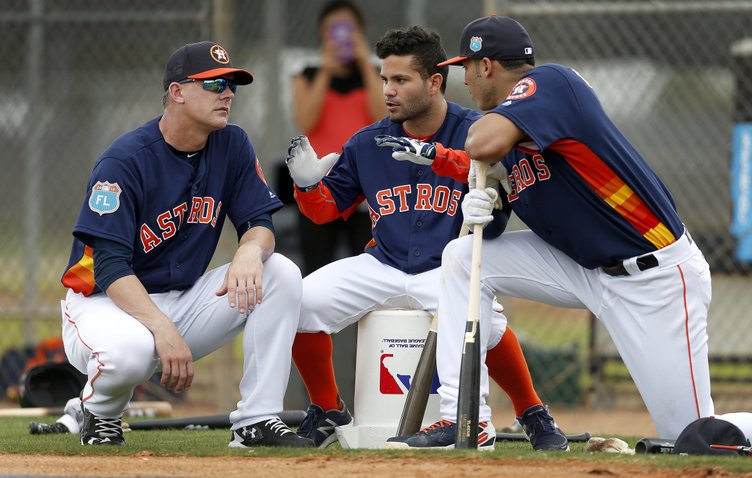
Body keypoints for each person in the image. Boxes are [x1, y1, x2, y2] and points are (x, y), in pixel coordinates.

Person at [389, 14, 715, 446]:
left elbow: (481, 144)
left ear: (487, 66)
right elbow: (488, 172)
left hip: (654, 277)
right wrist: (475, 187)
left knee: (694, 438)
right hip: (586, 268)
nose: (464, 78)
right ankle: (465, 418)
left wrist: (478, 164)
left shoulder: (552, 83)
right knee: (464, 259)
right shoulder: (521, 124)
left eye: (466, 67)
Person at [286, 25, 568, 451]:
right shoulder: (367, 141)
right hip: (383, 262)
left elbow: (497, 215)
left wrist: (486, 201)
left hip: (445, 268)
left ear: (435, 82)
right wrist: (307, 186)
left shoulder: (480, 131)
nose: (388, 90)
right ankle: (327, 410)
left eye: (401, 80)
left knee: (485, 322)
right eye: (384, 79)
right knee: (297, 301)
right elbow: (325, 211)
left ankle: (531, 411)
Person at [59, 41, 312, 448]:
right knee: (132, 353)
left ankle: (256, 419)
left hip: (184, 300)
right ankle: (100, 413)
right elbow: (108, 265)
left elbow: (259, 223)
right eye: (214, 85)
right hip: (106, 301)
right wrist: (162, 329)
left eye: (231, 85)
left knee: (279, 270)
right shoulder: (123, 161)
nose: (227, 93)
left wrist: (249, 249)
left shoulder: (232, 145)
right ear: (177, 92)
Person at [290, 0, 384, 274]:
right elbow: (306, 120)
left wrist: (366, 63)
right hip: (320, 184)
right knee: (316, 266)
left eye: (347, 29)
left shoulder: (376, 74)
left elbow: (383, 115)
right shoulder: (306, 74)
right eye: (333, 30)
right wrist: (327, 69)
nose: (340, 37)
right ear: (321, 33)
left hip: (366, 184)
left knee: (369, 267)